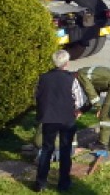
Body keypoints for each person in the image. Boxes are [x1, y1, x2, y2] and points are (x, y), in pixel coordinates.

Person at [33, 49, 87, 192]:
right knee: (65, 150)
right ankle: (63, 184)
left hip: (48, 118)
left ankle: (40, 183)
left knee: (46, 149)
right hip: (66, 119)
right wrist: (77, 110)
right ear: (67, 63)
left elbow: (36, 96)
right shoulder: (71, 79)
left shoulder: (43, 77)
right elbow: (80, 100)